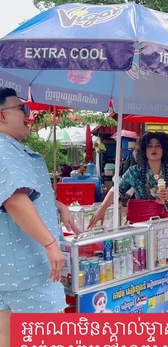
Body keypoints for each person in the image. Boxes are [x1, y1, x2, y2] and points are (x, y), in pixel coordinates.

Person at [0, 88, 81, 347]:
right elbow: (14, 200)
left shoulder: (10, 148)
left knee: (7, 334)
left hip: (9, 269)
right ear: (2, 116)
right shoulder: (4, 148)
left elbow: (14, 193)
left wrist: (58, 205)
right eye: (22, 108)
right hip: (26, 268)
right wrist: (50, 243)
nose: (28, 113)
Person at [88, 131, 168, 228]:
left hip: (167, 224)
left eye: (158, 146)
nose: (153, 149)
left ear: (164, 149)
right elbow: (116, 189)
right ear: (144, 150)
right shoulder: (134, 172)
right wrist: (102, 208)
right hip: (142, 224)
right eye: (149, 146)